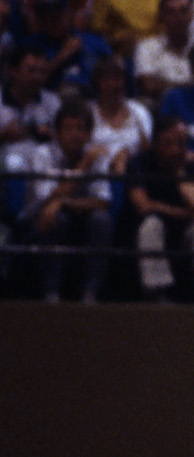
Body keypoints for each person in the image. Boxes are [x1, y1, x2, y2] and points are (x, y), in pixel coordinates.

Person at [19, 99, 113, 304]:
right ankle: (51, 292)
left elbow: (103, 202)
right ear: (57, 133)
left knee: (101, 220)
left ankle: (91, 293)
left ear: (88, 134)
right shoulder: (42, 154)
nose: (75, 134)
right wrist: (83, 167)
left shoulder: (95, 157)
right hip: (36, 224)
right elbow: (46, 201)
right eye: (68, 128)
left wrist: (62, 203)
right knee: (57, 219)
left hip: (79, 220)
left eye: (81, 129)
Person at [124, 114, 194, 302]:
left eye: (180, 143)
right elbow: (143, 205)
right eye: (168, 143)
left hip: (183, 231)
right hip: (147, 229)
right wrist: (185, 213)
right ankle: (158, 294)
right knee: (152, 224)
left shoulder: (192, 168)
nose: (175, 149)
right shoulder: (140, 163)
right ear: (155, 144)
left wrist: (179, 173)